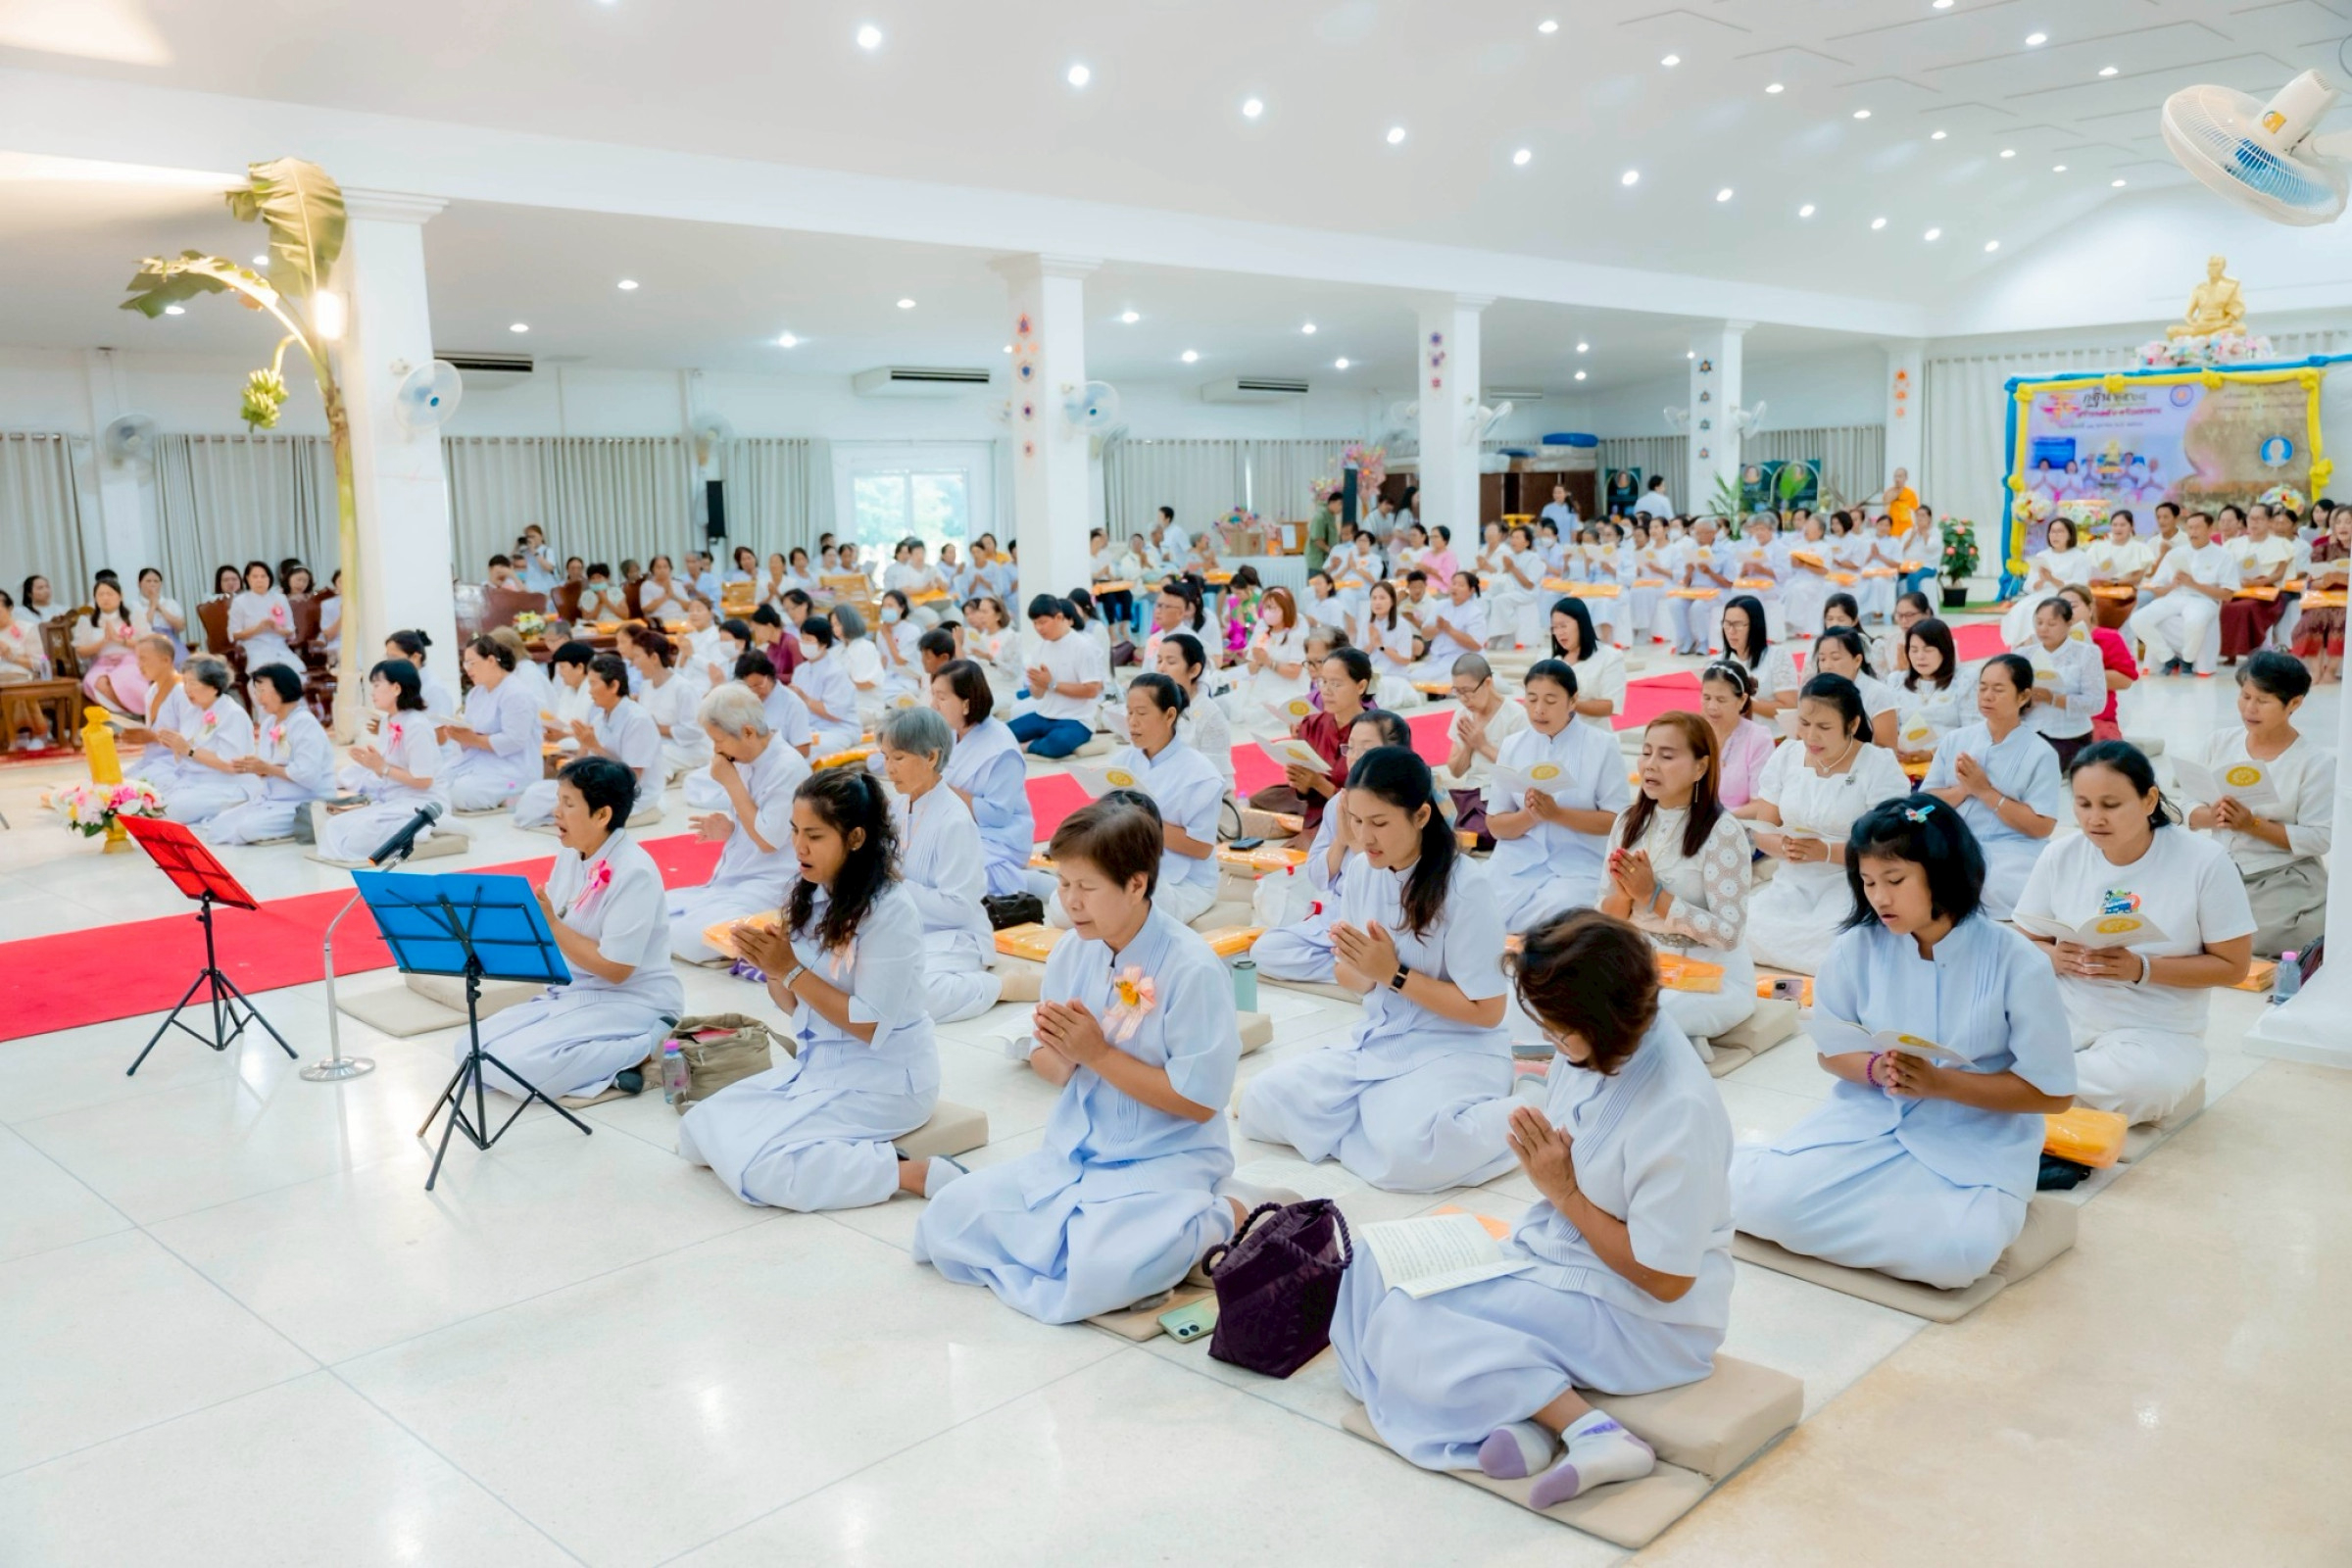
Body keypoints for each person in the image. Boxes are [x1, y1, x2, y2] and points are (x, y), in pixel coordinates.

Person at [1332, 908, 1733, 1504]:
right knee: (1371, 1263)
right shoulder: (1595, 1048)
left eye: (1558, 1031)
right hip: (1557, 1263)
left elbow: (1668, 1281)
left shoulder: (1679, 1110)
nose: (1549, 1041)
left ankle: (1589, 1431)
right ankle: (1519, 1421)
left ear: (1604, 1017)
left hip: (1639, 1318)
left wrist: (1562, 1191)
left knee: (1410, 1314)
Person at [913, 796, 1258, 1323]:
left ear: (1137, 884)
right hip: (1078, 1151)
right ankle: (1128, 1242)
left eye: (1086, 888)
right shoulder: (1073, 951)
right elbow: (1056, 1070)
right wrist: (1053, 1053)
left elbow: (1198, 1102)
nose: (1069, 903)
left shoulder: (1192, 968)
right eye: (1064, 885)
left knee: (1098, 1270)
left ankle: (1223, 1214)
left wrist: (1094, 1053)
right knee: (947, 1220)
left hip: (1167, 1156)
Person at [1734, 798, 2075, 1288]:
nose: (1879, 898)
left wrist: (1941, 1084)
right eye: (1868, 883)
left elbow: (2054, 1093)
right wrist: (1878, 1072)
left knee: (1955, 1254)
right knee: (1761, 1203)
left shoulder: (2016, 960)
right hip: (1867, 1120)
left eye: (1895, 881)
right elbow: (1831, 1050)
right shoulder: (1856, 947)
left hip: (1974, 1140)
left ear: (1941, 873)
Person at [1239, 745, 1521, 1191]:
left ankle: (1530, 1106)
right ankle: (1375, 1122)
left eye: (1379, 823)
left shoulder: (1467, 889)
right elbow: (1348, 978)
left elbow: (1487, 1012)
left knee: (1412, 1155)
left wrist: (1395, 974)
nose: (1363, 837)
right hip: (1382, 1041)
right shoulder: (1361, 872)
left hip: (1455, 1047)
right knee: (1260, 1102)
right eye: (1354, 820)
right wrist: (1366, 968)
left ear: (1422, 816)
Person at [2016, 743, 2255, 1124]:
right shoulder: (2060, 856)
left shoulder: (2204, 862)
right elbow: (2022, 940)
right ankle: (2038, 1088)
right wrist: (2052, 957)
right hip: (2061, 1011)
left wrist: (2141, 968)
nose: (2094, 819)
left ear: (2149, 800)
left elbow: (2233, 966)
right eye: (2083, 804)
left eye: (2110, 805)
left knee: (2145, 1086)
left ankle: (2017, 1088)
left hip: (2154, 1030)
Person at [457, 757, 683, 1102]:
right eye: (558, 800)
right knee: (470, 1049)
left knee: (520, 1066)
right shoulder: (571, 853)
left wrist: (550, 923)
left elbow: (617, 969)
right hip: (575, 991)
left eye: (568, 803)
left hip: (633, 1000)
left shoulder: (634, 871)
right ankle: (609, 1070)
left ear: (602, 815)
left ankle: (647, 1044)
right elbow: (555, 923)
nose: (556, 812)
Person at [1738, 674, 1913, 975]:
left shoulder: (1878, 765)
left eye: (1824, 727)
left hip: (1853, 883)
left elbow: (1889, 846)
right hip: (1792, 883)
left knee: (1839, 943)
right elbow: (1763, 829)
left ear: (1852, 724)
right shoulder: (1788, 755)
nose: (1811, 736)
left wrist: (1826, 852)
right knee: (1739, 928)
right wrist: (1784, 846)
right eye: (1804, 723)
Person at [1601, 712, 1757, 1049]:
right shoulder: (1628, 822)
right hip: (1644, 961)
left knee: (1644, 1014)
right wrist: (1625, 893)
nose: (1651, 764)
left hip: (1711, 972)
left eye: (1667, 756)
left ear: (1700, 768)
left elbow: (1728, 934)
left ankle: (1677, 1043)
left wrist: (1653, 895)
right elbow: (1609, 918)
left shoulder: (1723, 832)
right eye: (1646, 752)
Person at [878, 706, 1041, 1021]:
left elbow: (958, 908)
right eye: (885, 758)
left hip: (953, 934)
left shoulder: (954, 820)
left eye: (897, 758)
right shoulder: (897, 807)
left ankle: (1001, 987)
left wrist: (893, 884)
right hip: (904, 926)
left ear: (931, 757)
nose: (889, 768)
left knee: (916, 997)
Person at [2182, 653, 2332, 956]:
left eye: (2262, 701)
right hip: (2219, 867)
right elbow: (2187, 806)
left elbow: (2320, 838)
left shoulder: (2315, 762)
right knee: (2171, 915)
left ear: (2294, 704)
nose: (2249, 708)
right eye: (2245, 696)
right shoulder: (2219, 742)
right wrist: (2211, 816)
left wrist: (2251, 825)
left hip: (2280, 875)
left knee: (2284, 933)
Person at [1253, 710, 1413, 984]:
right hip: (1338, 915)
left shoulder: (1406, 808)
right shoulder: (1337, 804)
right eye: (1350, 747)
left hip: (1386, 916)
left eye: (1366, 748)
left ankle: (1368, 969)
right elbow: (1317, 877)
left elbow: (1396, 882)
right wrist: (1341, 840)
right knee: (1264, 950)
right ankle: (1357, 972)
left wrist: (1356, 842)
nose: (1354, 756)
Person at [667, 683, 810, 962]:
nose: (716, 748)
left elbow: (769, 841)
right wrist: (730, 829)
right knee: (649, 908)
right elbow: (753, 815)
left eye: (718, 740)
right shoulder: (745, 758)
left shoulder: (788, 767)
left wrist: (730, 781)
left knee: (690, 936)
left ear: (747, 731)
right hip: (732, 878)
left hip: (768, 884)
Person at [1488, 660, 1635, 931]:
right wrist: (1530, 815)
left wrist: (1557, 814)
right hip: (1515, 862)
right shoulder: (1512, 745)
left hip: (1578, 865)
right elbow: (1496, 825)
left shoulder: (1602, 746)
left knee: (1562, 911)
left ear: (1572, 701)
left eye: (1551, 700)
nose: (1539, 710)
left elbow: (1617, 820)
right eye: (1531, 699)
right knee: (1481, 905)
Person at [1068, 674, 1224, 926]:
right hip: (1128, 868)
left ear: (1169, 715)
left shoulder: (1201, 774)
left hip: (1181, 883)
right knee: (1062, 905)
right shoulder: (1123, 762)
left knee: (1142, 911)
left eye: (1141, 713)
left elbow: (1202, 848)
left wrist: (1141, 825)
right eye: (1129, 713)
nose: (1132, 722)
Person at [1920, 655, 2063, 920]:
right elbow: (1924, 804)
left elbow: (2042, 825)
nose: (1987, 696)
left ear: (2023, 697)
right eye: (1983, 687)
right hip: (1955, 841)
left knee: (1994, 884)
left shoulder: (2041, 753)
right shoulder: (1956, 740)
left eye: (1998, 690)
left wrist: (1985, 792)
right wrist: (1964, 790)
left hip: (2014, 849)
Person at [313, 659, 449, 862]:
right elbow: (388, 766)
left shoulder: (417, 725)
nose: (372, 692)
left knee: (361, 835)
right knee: (334, 827)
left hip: (421, 804)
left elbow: (424, 781)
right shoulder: (389, 720)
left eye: (377, 685)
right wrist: (371, 764)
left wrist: (381, 768)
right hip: (394, 800)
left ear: (396, 688)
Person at [514, 655, 661, 829]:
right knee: (536, 792)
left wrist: (595, 747)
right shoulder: (600, 718)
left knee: (543, 800)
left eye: (593, 684)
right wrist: (582, 747)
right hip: (598, 785)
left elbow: (631, 777)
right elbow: (583, 762)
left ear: (613, 685)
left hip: (629, 794)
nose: (589, 691)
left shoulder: (637, 720)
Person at [203, 663, 337, 845]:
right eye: (256, 691)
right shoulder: (268, 723)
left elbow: (308, 775)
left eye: (262, 691)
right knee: (218, 826)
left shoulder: (305, 723)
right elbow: (268, 767)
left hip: (304, 801)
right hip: (274, 798)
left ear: (281, 689)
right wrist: (253, 767)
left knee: (248, 829)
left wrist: (266, 768)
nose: (258, 699)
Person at [145, 656, 256, 825]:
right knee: (147, 796)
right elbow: (184, 754)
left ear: (213, 686)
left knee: (167, 810)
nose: (187, 689)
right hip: (192, 780)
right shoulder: (193, 711)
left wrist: (188, 750)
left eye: (193, 683)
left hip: (225, 785)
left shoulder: (233, 714)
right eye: (185, 683)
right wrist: (174, 745)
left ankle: (231, 809)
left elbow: (232, 765)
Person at [2126, 510, 2237, 676]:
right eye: (2190, 528)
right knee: (2137, 619)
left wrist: (2194, 584)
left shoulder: (2224, 555)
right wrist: (2173, 585)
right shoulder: (2176, 554)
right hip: (2175, 597)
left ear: (2210, 529)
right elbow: (2156, 590)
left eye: (2197, 528)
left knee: (2195, 620)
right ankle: (2168, 658)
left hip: (2204, 600)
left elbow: (2228, 595)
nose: (2193, 532)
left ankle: (2187, 660)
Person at [437, 636, 542, 811]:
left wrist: (475, 740)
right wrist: (459, 735)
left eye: (472, 663)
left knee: (462, 793)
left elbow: (514, 741)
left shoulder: (516, 693)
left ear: (491, 660)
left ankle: (515, 795)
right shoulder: (476, 694)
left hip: (513, 768)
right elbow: (471, 733)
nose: (468, 670)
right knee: (437, 782)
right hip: (481, 762)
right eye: (465, 664)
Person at [1442, 652, 1529, 846]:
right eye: (1457, 692)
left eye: (1468, 691)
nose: (1464, 698)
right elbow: (1455, 770)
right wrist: (1468, 746)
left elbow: (1521, 771)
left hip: (1500, 794)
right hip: (1470, 795)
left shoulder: (1516, 716)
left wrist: (1482, 745)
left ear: (1488, 683)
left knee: (1482, 831)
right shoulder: (1462, 715)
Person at [1007, 595, 1106, 759]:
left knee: (1057, 744)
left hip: (1076, 720)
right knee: (1005, 732)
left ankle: (1028, 746)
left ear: (1059, 617)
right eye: (1035, 623)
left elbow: (1092, 690)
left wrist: (1052, 684)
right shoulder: (1038, 648)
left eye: (1043, 622)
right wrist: (1038, 685)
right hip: (1043, 715)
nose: (1039, 628)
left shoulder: (1082, 646)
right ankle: (1033, 743)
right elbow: (1038, 695)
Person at [2020, 596, 2103, 769]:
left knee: (2036, 766)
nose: (2043, 629)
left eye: (2051, 624)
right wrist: (2026, 700)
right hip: (2028, 730)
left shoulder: (2087, 653)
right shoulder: (2024, 654)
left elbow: (2096, 703)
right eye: (2039, 622)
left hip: (2069, 735)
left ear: (2069, 623)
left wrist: (2053, 699)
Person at [620, 624, 711, 781]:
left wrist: (659, 729)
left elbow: (695, 732)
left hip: (689, 748)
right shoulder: (645, 686)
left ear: (654, 658)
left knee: (654, 757)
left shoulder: (683, 688)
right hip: (660, 744)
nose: (634, 663)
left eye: (637, 657)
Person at [2057, 584, 2137, 744]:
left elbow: (2125, 680)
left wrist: (2081, 675)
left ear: (2090, 608)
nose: (2066, 611)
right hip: (2059, 718)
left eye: (2072, 606)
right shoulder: (2052, 641)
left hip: (2097, 719)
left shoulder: (2108, 637)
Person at [1894, 616, 1977, 764]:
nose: (1920, 657)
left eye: (1928, 650)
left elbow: (1972, 733)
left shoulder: (1964, 680)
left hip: (1951, 762)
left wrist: (1931, 754)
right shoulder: (1896, 682)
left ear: (1944, 651)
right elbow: (1890, 729)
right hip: (1904, 763)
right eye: (1914, 650)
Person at [1699, 662, 1776, 810]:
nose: (1712, 707)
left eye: (1721, 700)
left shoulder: (1758, 738)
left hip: (1739, 826)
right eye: (1707, 698)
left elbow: (1761, 805)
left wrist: (1721, 823)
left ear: (1742, 700)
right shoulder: (1692, 732)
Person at [1810, 627, 1899, 748]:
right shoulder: (1815, 693)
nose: (1827, 666)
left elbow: (1887, 749)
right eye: (1822, 659)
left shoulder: (1877, 693)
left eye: (1835, 658)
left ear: (1857, 660)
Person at [2290, 507, 2350, 682]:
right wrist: (2324, 581)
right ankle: (2315, 671)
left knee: (2341, 620)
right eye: (2338, 522)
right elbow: (2312, 581)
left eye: (2348, 522)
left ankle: (2330, 671)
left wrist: (2345, 579)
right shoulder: (2323, 549)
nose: (2342, 526)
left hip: (2347, 602)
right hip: (2324, 598)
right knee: (2311, 620)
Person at [1547, 597, 1626, 730]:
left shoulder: (1609, 657)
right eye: (1555, 628)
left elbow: (1610, 706)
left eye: (1563, 626)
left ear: (1581, 624)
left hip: (1593, 734)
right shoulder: (1548, 657)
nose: (1559, 632)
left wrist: (1568, 704)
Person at [789, 615, 863, 755]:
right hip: (810, 728)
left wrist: (804, 698)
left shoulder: (835, 671)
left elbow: (834, 714)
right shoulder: (800, 670)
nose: (803, 643)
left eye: (809, 640)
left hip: (837, 729)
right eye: (802, 638)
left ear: (823, 644)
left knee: (806, 749)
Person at [74, 578, 147, 715]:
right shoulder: (87, 620)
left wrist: (119, 640)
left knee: (124, 680)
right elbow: (80, 651)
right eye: (100, 594)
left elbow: (146, 642)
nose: (105, 598)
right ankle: (129, 715)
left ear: (120, 596)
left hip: (130, 661)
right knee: (96, 682)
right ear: (95, 598)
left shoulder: (133, 615)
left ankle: (144, 712)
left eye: (110, 593)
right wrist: (104, 642)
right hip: (101, 664)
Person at [228, 560, 297, 675]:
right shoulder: (239, 602)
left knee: (295, 671)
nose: (259, 580)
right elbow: (235, 635)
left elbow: (290, 630)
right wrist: (258, 628)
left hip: (279, 646)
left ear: (269, 578)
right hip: (253, 648)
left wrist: (277, 628)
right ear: (247, 579)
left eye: (263, 576)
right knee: (266, 674)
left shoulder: (280, 599)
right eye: (255, 576)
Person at [638, 555, 690, 626]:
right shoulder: (647, 585)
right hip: (661, 621)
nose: (662, 570)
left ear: (670, 569)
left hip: (682, 620)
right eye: (658, 567)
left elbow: (688, 607)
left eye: (665, 567)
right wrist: (666, 596)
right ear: (653, 569)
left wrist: (674, 597)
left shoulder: (677, 584)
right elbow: (646, 609)